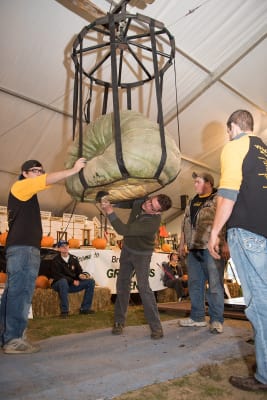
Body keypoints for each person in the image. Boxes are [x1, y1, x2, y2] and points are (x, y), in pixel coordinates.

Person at [0, 157, 87, 354]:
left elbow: (48, 181)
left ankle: (7, 336)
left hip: (21, 249)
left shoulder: (28, 192)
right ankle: (14, 340)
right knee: (21, 293)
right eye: (35, 170)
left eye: (41, 170)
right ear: (24, 173)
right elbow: (48, 179)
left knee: (12, 294)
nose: (39, 172)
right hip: (23, 250)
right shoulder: (20, 187)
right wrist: (73, 170)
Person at [208, 109, 267, 392]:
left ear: (231, 126)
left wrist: (214, 232)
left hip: (249, 232)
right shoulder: (263, 150)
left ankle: (264, 375)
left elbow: (227, 195)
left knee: (260, 306)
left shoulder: (235, 146)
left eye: (227, 130)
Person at [100, 194, 172, 339]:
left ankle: (156, 328)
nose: (147, 205)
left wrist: (109, 211)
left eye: (152, 207)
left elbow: (123, 230)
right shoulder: (143, 201)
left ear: (158, 212)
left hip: (142, 255)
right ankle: (119, 322)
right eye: (150, 201)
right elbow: (131, 202)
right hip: (127, 250)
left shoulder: (152, 224)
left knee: (144, 288)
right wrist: (113, 203)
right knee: (122, 285)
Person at [178, 171, 228, 334]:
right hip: (193, 249)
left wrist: (226, 243)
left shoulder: (219, 198)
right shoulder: (192, 201)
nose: (195, 185)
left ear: (209, 183)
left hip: (212, 248)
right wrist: (182, 242)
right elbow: (185, 221)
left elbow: (227, 220)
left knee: (214, 284)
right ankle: (197, 317)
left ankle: (216, 320)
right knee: (194, 283)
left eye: (198, 181)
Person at [49, 240, 95, 317]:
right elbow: (58, 275)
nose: (65, 248)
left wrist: (81, 275)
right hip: (59, 284)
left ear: (68, 247)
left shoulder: (73, 259)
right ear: (59, 249)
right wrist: (72, 281)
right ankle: (65, 311)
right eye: (62, 246)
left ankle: (85, 309)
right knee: (63, 281)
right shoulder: (55, 261)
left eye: (66, 246)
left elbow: (79, 271)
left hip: (71, 285)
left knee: (91, 282)